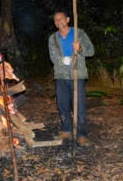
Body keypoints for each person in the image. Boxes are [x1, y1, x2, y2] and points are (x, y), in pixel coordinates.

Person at [48, 11, 94, 146]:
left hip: (77, 75)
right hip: (61, 76)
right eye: (56, 20)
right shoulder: (53, 38)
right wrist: (63, 60)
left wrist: (80, 49)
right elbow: (53, 56)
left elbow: (91, 51)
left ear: (68, 19)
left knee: (79, 106)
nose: (58, 22)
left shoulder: (79, 33)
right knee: (62, 105)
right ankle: (67, 130)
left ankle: (82, 134)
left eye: (61, 19)